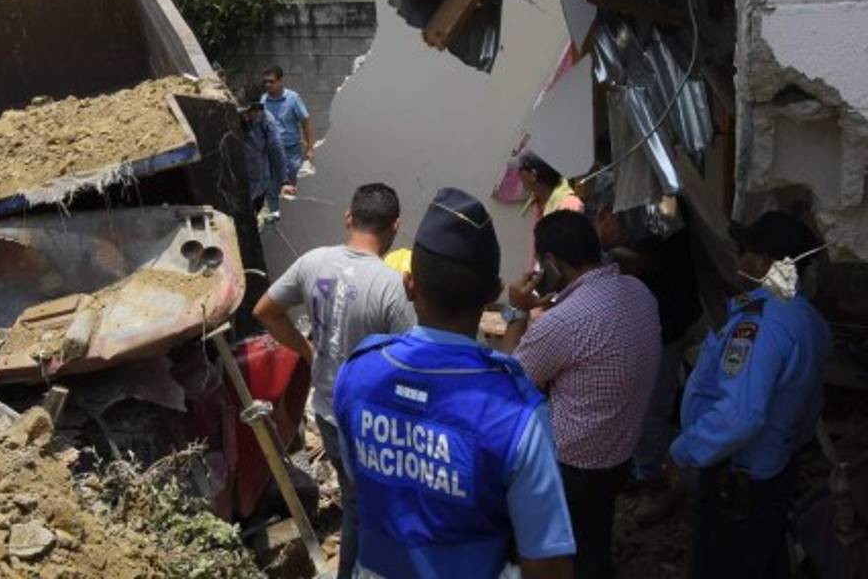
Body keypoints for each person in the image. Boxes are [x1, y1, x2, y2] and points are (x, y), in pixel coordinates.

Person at [333, 188, 576, 579]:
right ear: (493, 293)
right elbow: (548, 565)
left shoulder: (358, 372)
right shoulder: (517, 413)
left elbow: (359, 481)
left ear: (408, 285)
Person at [254, 183, 416, 579]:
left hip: (327, 410)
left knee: (354, 501)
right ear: (395, 227)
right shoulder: (392, 286)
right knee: (369, 509)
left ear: (349, 218)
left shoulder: (313, 262)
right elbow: (411, 365)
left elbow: (266, 311)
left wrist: (308, 353)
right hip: (371, 420)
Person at [670, 210, 831, 579]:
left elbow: (739, 417)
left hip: (738, 485)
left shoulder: (758, 323)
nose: (738, 260)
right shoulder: (809, 320)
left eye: (743, 251)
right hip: (774, 473)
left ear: (762, 261)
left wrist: (683, 451)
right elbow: (810, 409)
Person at [502, 210, 661, 579]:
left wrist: (517, 310)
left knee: (552, 554)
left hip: (569, 464)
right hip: (619, 452)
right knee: (594, 540)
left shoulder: (565, 321)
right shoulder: (640, 292)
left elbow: (508, 380)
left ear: (551, 264)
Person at [588, 188, 701, 524]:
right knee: (639, 402)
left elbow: (640, 262)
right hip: (651, 320)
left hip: (665, 324)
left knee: (652, 408)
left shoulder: (658, 214)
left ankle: (654, 483)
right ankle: (640, 471)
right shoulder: (646, 205)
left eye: (598, 225)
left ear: (607, 215)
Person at [261, 66, 313, 214]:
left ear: (280, 81)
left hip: (291, 152)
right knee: (272, 188)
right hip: (271, 154)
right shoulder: (263, 101)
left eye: (271, 82)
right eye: (266, 82)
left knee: (291, 188)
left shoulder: (293, 99)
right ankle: (275, 216)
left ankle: (294, 219)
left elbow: (306, 122)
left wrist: (309, 148)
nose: (268, 85)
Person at [518, 151, 584, 267]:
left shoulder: (569, 206)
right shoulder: (539, 203)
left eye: (520, 171)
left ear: (533, 175)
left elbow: (572, 258)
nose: (517, 176)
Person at [238, 84, 294, 216]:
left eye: (253, 111)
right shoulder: (230, 118)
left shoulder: (265, 119)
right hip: (238, 185)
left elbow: (277, 149)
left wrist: (284, 181)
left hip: (259, 183)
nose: (249, 116)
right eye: (246, 112)